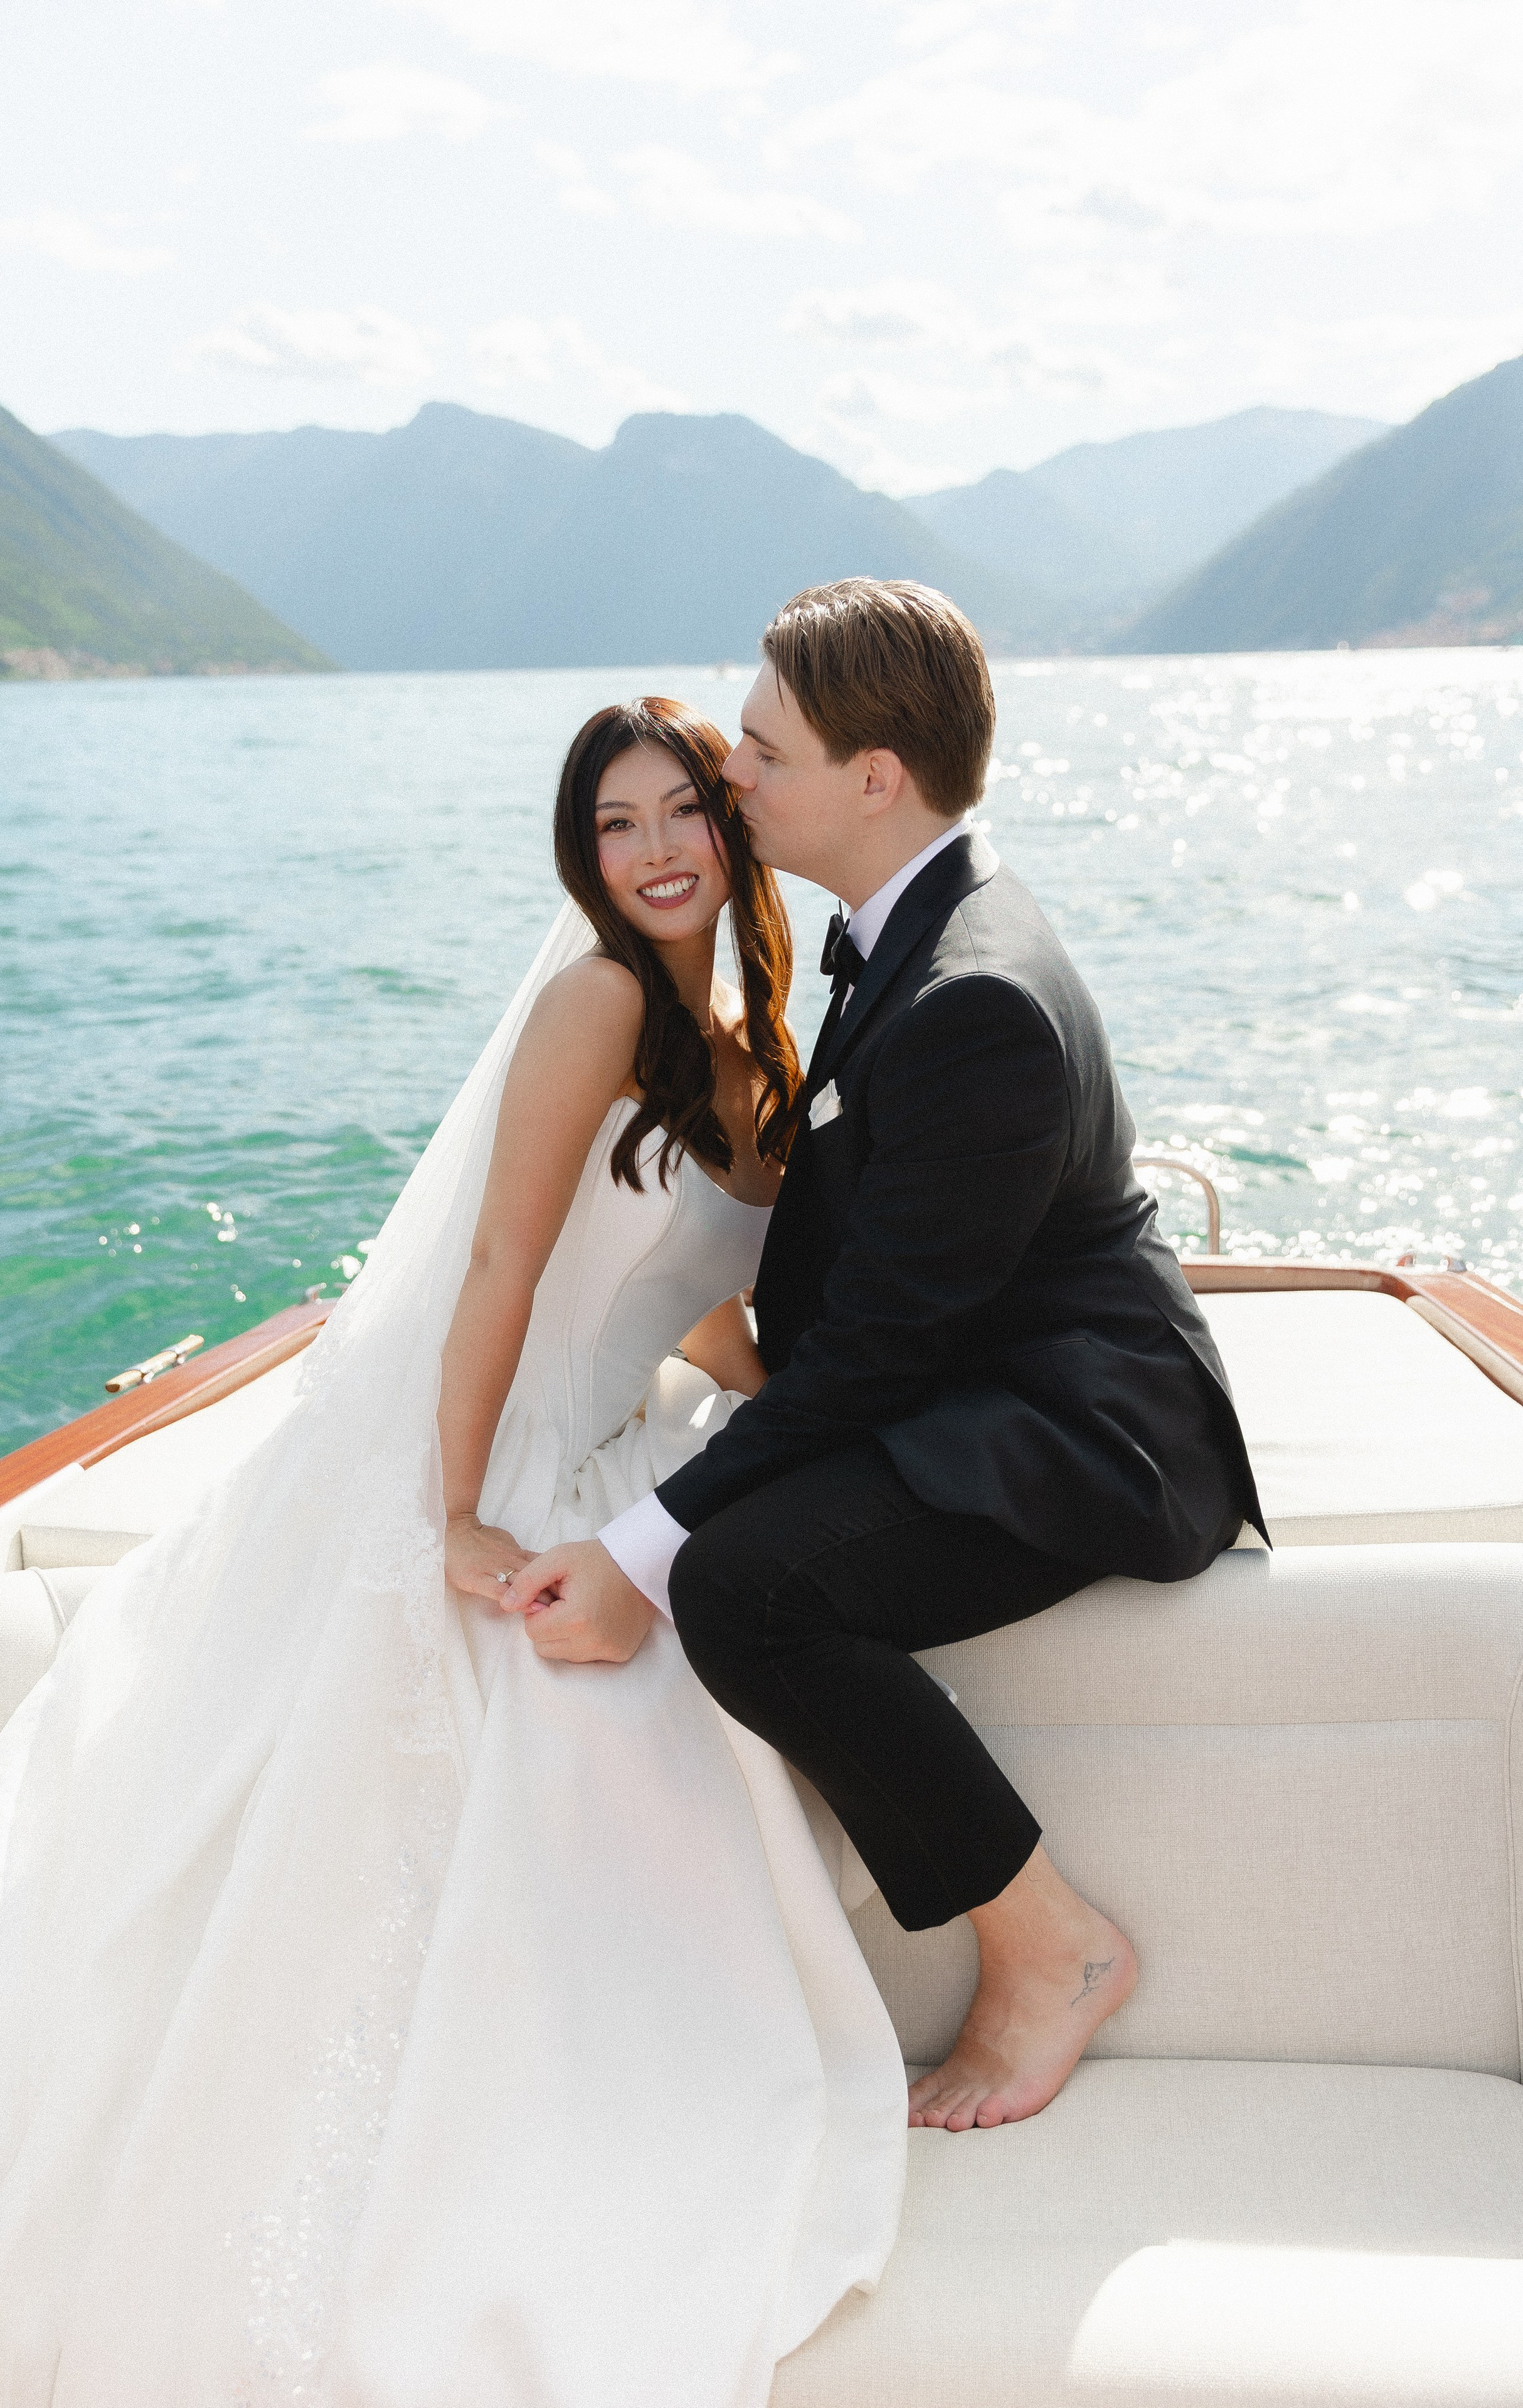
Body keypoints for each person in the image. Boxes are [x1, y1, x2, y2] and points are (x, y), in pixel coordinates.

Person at [0, 697, 906, 2408]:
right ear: (580, 856)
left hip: (613, 1444)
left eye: (685, 810)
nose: (658, 848)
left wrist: (843, 1394)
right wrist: (455, 1514)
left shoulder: (747, 1044)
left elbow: (705, 1307)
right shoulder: (595, 999)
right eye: (617, 825)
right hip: (497, 1444)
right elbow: (506, 1276)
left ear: (737, 829)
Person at [507, 579, 1268, 2135]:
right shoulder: (903, 925)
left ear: (875, 777)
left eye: (764, 755)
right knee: (730, 1533)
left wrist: (637, 1547)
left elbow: (876, 1354)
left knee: (737, 1583)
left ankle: (1049, 1946)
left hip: (1088, 1426)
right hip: (977, 1374)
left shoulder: (970, 996)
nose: (734, 784)